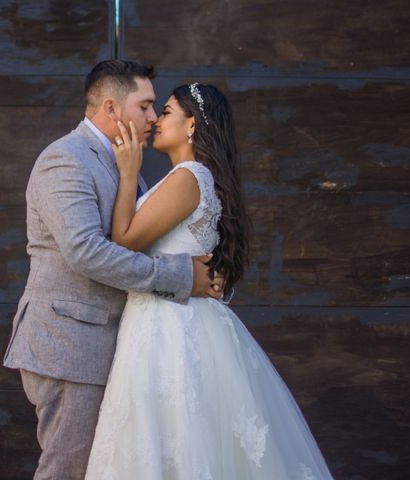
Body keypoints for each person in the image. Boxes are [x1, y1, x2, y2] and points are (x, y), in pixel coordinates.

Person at [85, 83, 335, 479]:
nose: (156, 121)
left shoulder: (189, 177)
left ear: (191, 126)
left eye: (166, 112)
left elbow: (125, 241)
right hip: (167, 321)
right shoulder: (188, 178)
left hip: (170, 329)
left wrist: (128, 172)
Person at [2, 61, 225, 479]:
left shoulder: (129, 167)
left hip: (110, 344)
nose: (154, 118)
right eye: (145, 106)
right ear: (111, 107)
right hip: (69, 345)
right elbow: (85, 251)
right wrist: (181, 277)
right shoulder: (65, 160)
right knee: (70, 467)